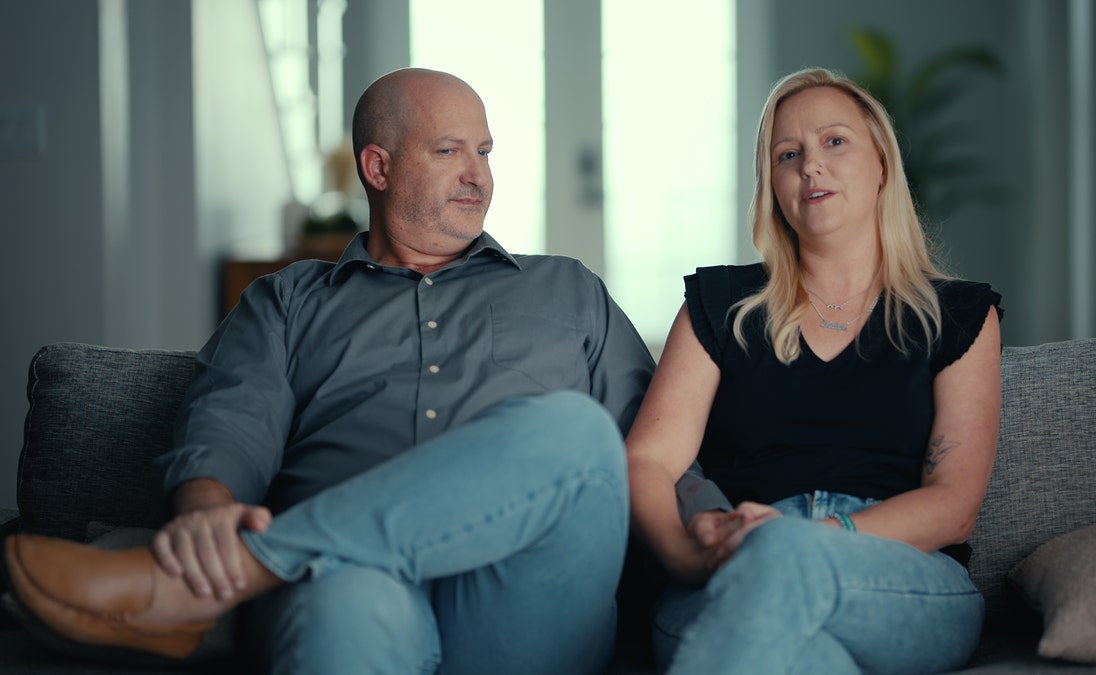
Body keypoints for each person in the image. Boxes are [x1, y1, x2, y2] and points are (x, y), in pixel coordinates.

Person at [2, 68, 658, 675]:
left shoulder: (567, 289)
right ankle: (252, 562)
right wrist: (204, 513)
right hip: (344, 584)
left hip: (525, 598)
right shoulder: (286, 301)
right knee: (339, 609)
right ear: (378, 166)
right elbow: (230, 418)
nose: (477, 176)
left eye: (484, 152)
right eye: (449, 151)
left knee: (574, 430)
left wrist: (713, 529)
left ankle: (240, 570)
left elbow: (659, 452)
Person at [624, 67, 1003, 674]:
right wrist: (684, 558)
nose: (810, 166)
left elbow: (954, 501)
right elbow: (647, 461)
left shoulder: (958, 315)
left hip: (893, 573)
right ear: (772, 183)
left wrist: (807, 538)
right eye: (788, 154)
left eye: (835, 142)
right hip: (730, 570)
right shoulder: (720, 306)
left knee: (781, 563)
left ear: (882, 163)